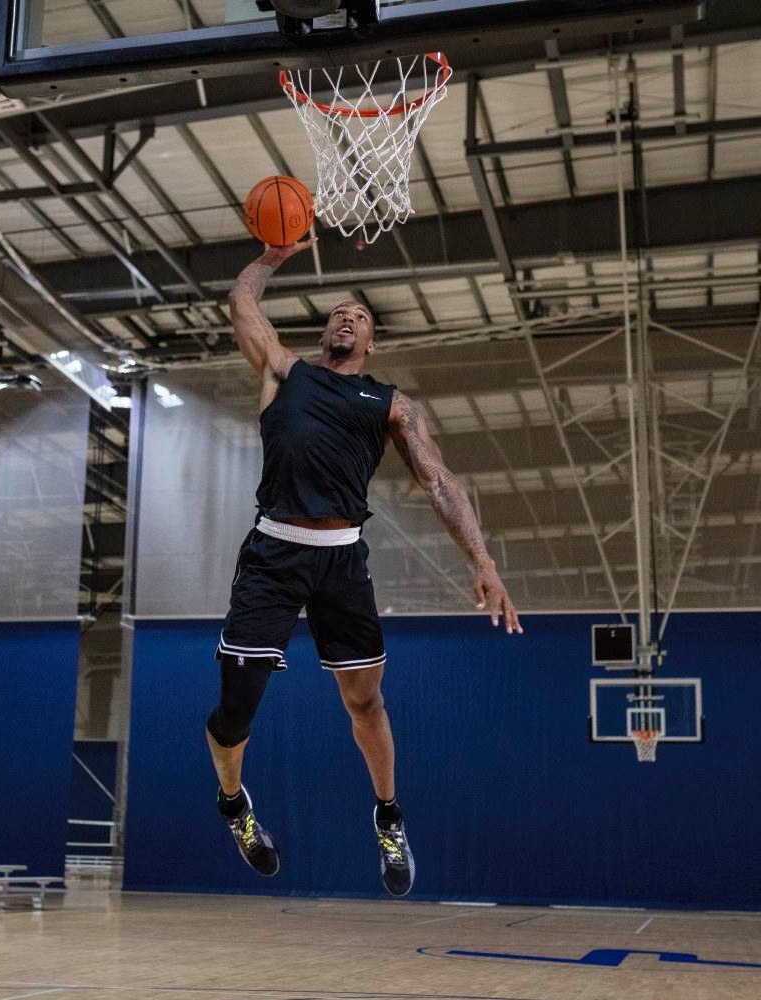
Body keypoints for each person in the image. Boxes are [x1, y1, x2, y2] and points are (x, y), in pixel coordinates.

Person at [206, 238, 522, 897]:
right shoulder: (282, 372)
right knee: (237, 708)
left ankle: (388, 817)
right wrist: (273, 253)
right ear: (325, 331)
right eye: (339, 312)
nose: (347, 318)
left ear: (372, 342)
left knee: (365, 697)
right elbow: (241, 300)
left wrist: (484, 560)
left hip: (341, 559)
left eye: (361, 316)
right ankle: (234, 805)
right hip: (272, 553)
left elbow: (439, 482)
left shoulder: (390, 405)